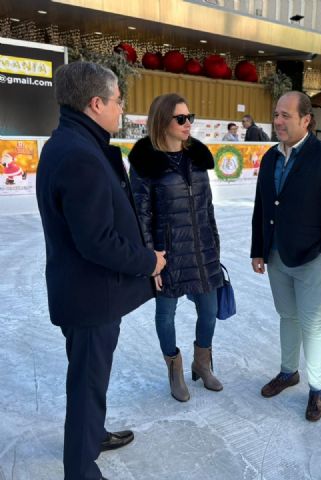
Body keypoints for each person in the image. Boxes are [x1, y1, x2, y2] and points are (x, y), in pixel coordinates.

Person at [35, 61, 166, 480]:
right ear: (96, 103)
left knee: (91, 379)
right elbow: (97, 241)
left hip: (87, 292)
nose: (121, 108)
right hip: (90, 297)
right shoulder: (79, 155)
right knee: (86, 385)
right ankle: (81, 467)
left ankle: (91, 436)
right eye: (116, 100)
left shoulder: (75, 143)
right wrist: (150, 261)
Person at [250, 91, 321, 422]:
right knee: (288, 317)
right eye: (276, 114)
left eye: (286, 115)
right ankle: (288, 372)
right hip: (276, 255)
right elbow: (261, 207)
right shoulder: (270, 158)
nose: (278, 121)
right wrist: (258, 249)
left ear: (306, 119)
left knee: (313, 324)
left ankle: (316, 388)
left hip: (311, 259)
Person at [129, 93, 225, 402]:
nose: (188, 124)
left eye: (190, 117)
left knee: (209, 311)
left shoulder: (196, 158)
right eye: (181, 119)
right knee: (166, 314)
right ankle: (174, 369)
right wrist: (149, 259)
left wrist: (215, 247)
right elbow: (141, 215)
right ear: (163, 122)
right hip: (167, 254)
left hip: (202, 249)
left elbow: (207, 207)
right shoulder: (145, 163)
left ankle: (202, 363)